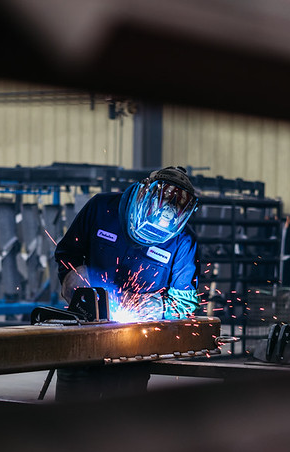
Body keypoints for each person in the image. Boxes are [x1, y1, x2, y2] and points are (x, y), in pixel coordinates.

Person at [53, 166, 201, 401]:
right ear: (146, 194)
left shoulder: (184, 240)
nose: (166, 217)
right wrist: (72, 277)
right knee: (71, 414)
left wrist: (158, 307)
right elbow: (67, 253)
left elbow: (185, 302)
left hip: (133, 347)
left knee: (122, 417)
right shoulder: (101, 208)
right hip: (84, 333)